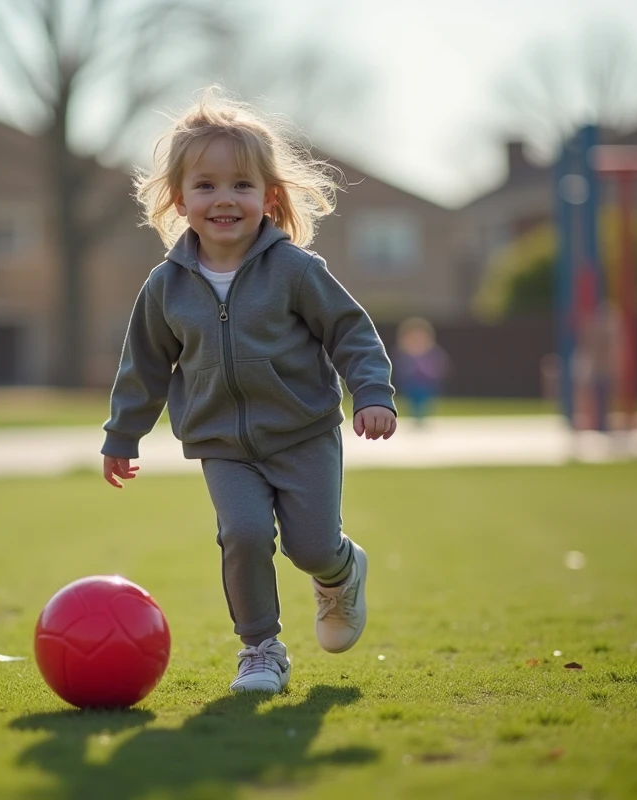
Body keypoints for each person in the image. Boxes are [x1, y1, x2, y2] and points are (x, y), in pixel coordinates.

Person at [100, 87, 397, 694]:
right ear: (180, 199)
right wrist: (122, 434)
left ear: (270, 197)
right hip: (222, 445)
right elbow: (145, 366)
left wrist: (372, 391)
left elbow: (350, 332)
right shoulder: (166, 287)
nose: (224, 199)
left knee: (310, 547)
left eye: (241, 185)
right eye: (206, 186)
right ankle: (262, 649)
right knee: (244, 535)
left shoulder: (295, 270)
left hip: (304, 435)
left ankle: (338, 572)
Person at [393, 317, 449, 426]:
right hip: (411, 383)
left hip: (427, 383)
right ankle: (415, 418)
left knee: (425, 402)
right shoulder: (403, 352)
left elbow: (440, 365)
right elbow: (400, 366)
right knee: (413, 402)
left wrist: (435, 374)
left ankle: (422, 419)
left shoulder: (433, 351)